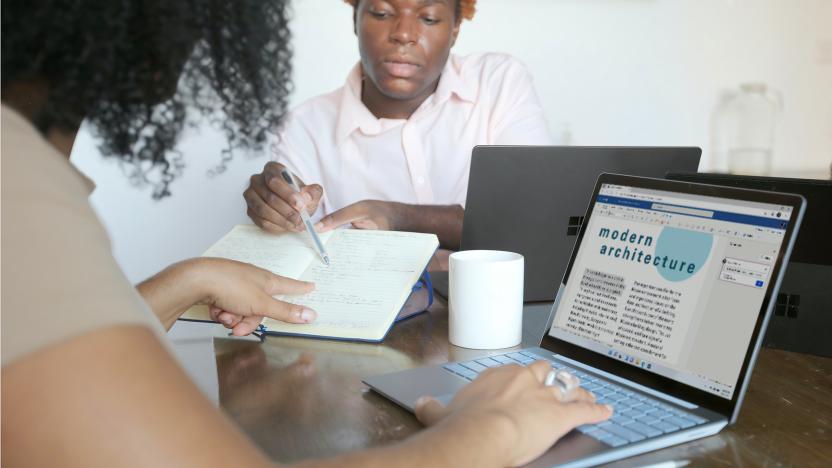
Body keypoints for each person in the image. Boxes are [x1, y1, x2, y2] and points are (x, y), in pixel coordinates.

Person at [0, 1, 610, 467]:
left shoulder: (21, 163)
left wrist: (189, 280)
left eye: (428, 15)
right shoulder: (15, 182)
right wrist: (490, 431)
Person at [244, 0, 554, 253]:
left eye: (429, 18)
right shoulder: (305, 127)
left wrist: (397, 216)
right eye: (382, 13)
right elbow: (295, 248)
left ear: (456, 29)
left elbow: (530, 219)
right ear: (355, 17)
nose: (404, 34)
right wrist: (278, 208)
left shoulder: (498, 83)